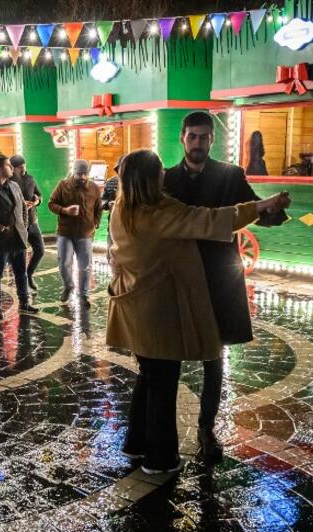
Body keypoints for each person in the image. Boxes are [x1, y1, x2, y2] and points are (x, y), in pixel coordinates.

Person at [107, 149, 290, 475]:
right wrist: (260, 206)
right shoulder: (157, 214)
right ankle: (160, 460)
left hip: (134, 310)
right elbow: (209, 220)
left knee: (148, 379)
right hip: (159, 315)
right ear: (150, 178)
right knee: (163, 384)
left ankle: (136, 445)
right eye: (159, 170)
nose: (165, 174)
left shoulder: (123, 209)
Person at [163, 111, 289, 463]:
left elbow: (254, 211)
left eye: (204, 137)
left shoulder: (230, 175)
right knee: (169, 356)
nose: (198, 143)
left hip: (218, 276)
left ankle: (206, 428)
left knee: (214, 359)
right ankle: (164, 431)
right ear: (182, 138)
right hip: (178, 277)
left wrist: (274, 211)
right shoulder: (166, 179)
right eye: (193, 137)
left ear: (212, 140)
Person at [0, 154, 39, 320]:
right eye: (7, 165)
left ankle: (24, 302)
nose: (11, 168)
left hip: (17, 237)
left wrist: (23, 227)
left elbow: (23, 208)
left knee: (21, 272)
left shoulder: (14, 186)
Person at [48, 159, 102, 308]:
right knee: (64, 262)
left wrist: (96, 222)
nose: (83, 177)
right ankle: (69, 285)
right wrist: (64, 210)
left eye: (85, 174)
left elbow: (99, 207)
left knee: (85, 266)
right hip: (65, 232)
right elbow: (51, 203)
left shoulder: (94, 188)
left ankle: (84, 295)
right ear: (74, 172)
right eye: (79, 174)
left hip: (86, 233)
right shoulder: (63, 185)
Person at [9, 155, 44, 293]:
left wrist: (36, 202)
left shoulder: (31, 179)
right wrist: (21, 204)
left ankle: (29, 274)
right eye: (20, 167)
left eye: (24, 165)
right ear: (14, 168)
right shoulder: (10, 182)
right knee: (20, 256)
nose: (23, 168)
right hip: (18, 224)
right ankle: (22, 284)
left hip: (33, 221)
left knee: (40, 251)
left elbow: (39, 195)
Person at [100, 156, 124, 263]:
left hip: (131, 225)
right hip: (113, 224)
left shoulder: (137, 184)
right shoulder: (110, 183)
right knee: (110, 256)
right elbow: (102, 201)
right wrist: (107, 204)